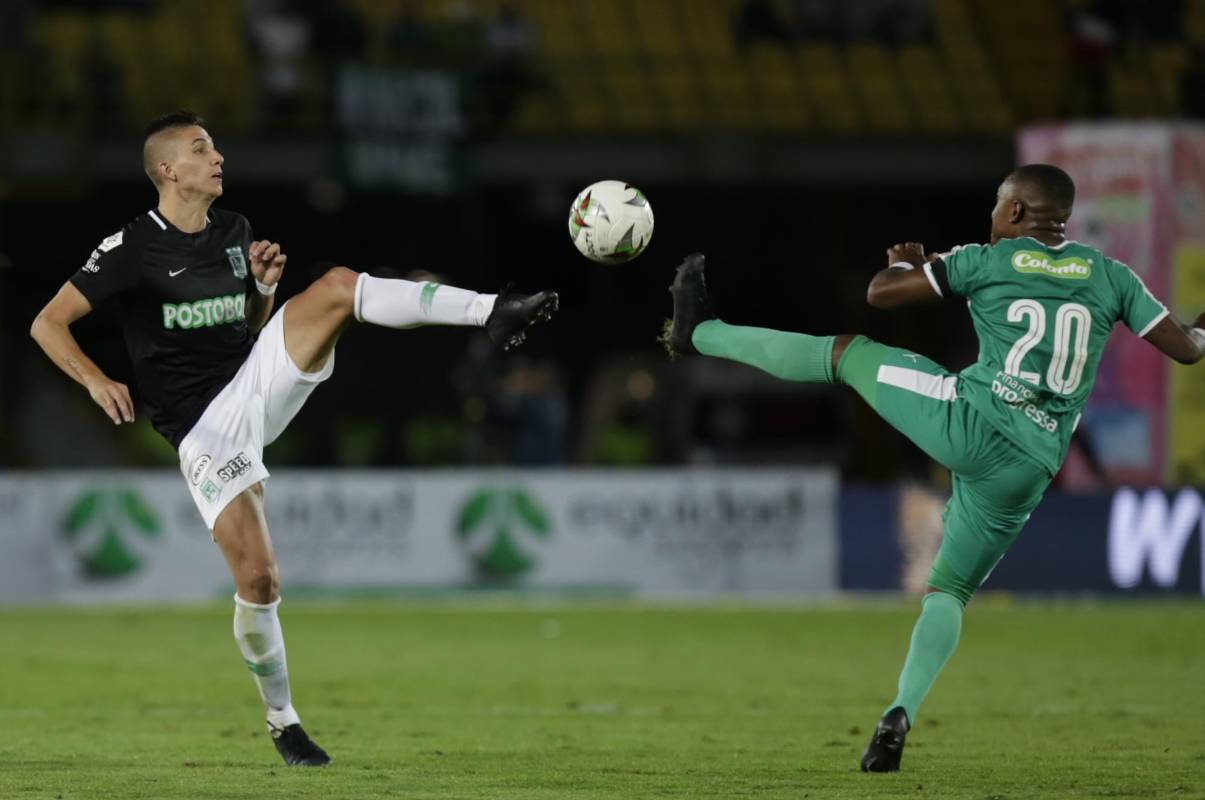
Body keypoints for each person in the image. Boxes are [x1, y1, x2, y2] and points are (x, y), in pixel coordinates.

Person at [29, 111, 557, 766]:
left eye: (215, 145)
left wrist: (263, 289)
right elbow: (47, 324)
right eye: (201, 148)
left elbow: (247, 329)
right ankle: (282, 720)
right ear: (167, 170)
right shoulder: (131, 247)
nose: (217, 156)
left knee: (335, 286)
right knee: (259, 580)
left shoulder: (233, 231)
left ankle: (490, 310)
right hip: (204, 429)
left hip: (253, 379)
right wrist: (94, 379)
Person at [660, 163, 1204, 772]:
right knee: (949, 591)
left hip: (970, 423)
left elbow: (881, 294)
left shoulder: (987, 260)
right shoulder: (1112, 277)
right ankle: (898, 713)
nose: (993, 215)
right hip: (1030, 466)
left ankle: (700, 333)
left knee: (847, 353)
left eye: (999, 205)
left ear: (1019, 213)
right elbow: (1187, 348)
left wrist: (903, 264)